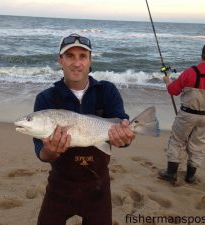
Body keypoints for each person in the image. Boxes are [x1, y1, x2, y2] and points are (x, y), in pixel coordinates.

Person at [33, 33, 135, 225]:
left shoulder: (107, 91)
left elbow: (123, 132)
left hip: (98, 187)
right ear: (60, 60)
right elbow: (41, 153)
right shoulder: (46, 99)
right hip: (60, 185)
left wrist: (125, 138)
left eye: (82, 56)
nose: (76, 63)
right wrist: (50, 151)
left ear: (90, 60)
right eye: (70, 56)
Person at [159, 42, 205, 184]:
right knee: (198, 145)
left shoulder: (190, 72)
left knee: (176, 141)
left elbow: (173, 90)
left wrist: (167, 81)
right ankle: (190, 176)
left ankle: (171, 173)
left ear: (202, 54)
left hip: (187, 115)